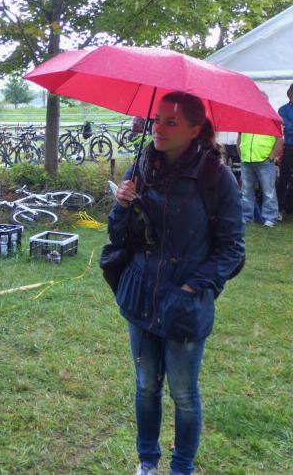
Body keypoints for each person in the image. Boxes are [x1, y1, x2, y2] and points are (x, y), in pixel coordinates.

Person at [109, 91, 244, 475]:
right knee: (146, 387)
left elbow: (232, 248)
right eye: (157, 119)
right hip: (141, 296)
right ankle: (147, 462)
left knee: (183, 393)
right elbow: (119, 237)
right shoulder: (140, 166)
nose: (159, 128)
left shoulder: (214, 176)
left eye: (171, 122)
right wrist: (121, 206)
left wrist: (191, 287)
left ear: (195, 129)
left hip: (184, 304)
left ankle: (181, 467)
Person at [238, 130, 282, 226]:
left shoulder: (272, 122)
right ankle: (247, 217)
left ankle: (270, 218)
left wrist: (271, 157)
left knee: (268, 191)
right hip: (247, 160)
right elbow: (239, 138)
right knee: (246, 191)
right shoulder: (245, 123)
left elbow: (280, 139)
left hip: (263, 160)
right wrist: (241, 155)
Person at [276, 83, 293, 214]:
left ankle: (290, 207)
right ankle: (279, 208)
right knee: (284, 178)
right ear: (290, 94)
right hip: (288, 147)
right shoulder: (282, 110)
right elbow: (285, 129)